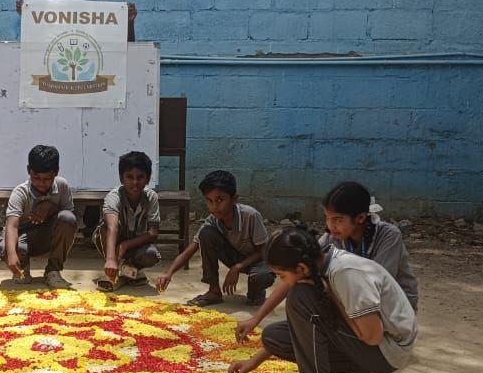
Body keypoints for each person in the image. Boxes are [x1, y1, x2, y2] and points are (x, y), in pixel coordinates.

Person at [228, 225, 418, 373]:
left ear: (301, 268)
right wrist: (253, 362)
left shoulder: (346, 273)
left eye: (282, 276)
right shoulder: (318, 263)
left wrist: (331, 297)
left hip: (387, 351)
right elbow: (303, 327)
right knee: (274, 337)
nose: (283, 281)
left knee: (300, 295)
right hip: (372, 347)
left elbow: (372, 336)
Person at [235, 181, 420, 361]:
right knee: (302, 293)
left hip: (387, 311)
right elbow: (293, 272)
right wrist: (256, 318)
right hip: (355, 302)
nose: (331, 226)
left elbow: (373, 288)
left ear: (361, 218)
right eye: (327, 218)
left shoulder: (388, 236)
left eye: (337, 220)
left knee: (314, 299)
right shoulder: (334, 237)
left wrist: (328, 294)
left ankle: (352, 369)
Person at [155, 170, 275, 306]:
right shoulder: (212, 220)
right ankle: (214, 291)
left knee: (261, 278)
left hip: (259, 261)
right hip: (235, 257)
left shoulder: (251, 216)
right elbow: (190, 250)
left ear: (234, 199)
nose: (214, 207)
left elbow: (263, 252)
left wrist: (236, 267)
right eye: (209, 201)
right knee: (206, 234)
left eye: (220, 200)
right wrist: (168, 273)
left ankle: (256, 292)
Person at [0, 145, 77, 289]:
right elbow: (12, 225)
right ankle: (22, 268)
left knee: (68, 218)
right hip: (22, 237)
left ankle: (53, 270)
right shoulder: (20, 192)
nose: (41, 183)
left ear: (56, 173)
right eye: (36, 178)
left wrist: (50, 207)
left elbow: (68, 220)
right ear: (29, 171)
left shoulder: (62, 186)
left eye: (47, 179)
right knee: (9, 246)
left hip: (46, 236)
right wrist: (11, 254)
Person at [95, 151, 161, 291]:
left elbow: (153, 232)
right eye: (129, 177)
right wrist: (111, 259)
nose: (135, 182)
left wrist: (126, 245)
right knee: (106, 227)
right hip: (112, 242)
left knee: (151, 255)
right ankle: (118, 270)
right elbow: (112, 228)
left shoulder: (151, 197)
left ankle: (125, 272)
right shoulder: (114, 196)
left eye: (140, 177)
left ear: (148, 179)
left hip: (135, 243)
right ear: (121, 178)